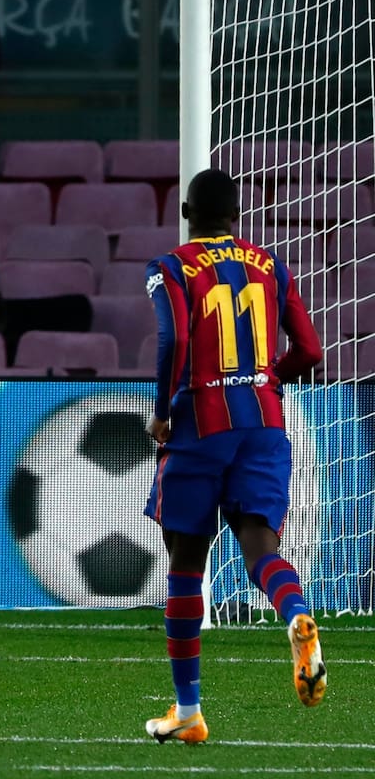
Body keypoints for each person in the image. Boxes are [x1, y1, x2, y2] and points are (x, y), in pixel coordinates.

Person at [142, 168, 326, 744]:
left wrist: (163, 411)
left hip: (201, 423)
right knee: (259, 546)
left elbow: (172, 339)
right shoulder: (272, 265)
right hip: (265, 422)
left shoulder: (169, 267)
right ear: (237, 216)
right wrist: (273, 379)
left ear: (188, 214)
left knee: (186, 564)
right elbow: (311, 349)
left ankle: (189, 710)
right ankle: (295, 614)